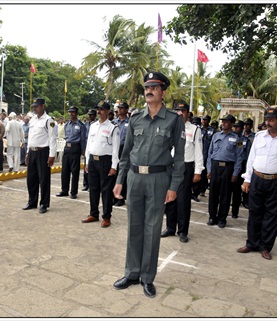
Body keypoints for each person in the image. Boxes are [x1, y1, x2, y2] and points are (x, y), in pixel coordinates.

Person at [112, 71, 185, 298]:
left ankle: (147, 277)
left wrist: (173, 186)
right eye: (146, 87)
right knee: (134, 226)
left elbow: (180, 157)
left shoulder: (174, 120)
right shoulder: (135, 119)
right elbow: (126, 154)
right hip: (134, 178)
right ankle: (132, 273)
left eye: (154, 87)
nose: (149, 90)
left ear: (163, 92)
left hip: (158, 179)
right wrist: (119, 180)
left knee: (152, 229)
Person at [238, 108, 277, 260]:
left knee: (271, 216)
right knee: (254, 213)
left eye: (272, 120)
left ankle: (265, 247)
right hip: (258, 179)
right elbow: (252, 158)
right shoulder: (259, 136)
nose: (268, 123)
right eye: (267, 119)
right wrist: (247, 179)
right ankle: (251, 243)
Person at [163, 100, 203, 243]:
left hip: (185, 167)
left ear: (188, 113)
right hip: (170, 166)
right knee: (169, 198)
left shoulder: (194, 130)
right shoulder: (170, 127)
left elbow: (198, 151)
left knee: (183, 200)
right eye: (177, 112)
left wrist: (198, 171)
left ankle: (182, 231)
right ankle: (170, 227)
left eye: (183, 111)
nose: (180, 114)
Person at [81, 101, 119, 228]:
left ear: (108, 111)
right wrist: (87, 161)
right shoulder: (93, 126)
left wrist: (114, 166)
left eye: (102, 109)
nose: (99, 111)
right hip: (92, 160)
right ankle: (93, 213)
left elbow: (115, 149)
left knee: (106, 190)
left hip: (105, 161)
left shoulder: (113, 128)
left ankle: (107, 217)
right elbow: (88, 145)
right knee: (93, 188)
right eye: (98, 109)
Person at [206, 114, 244, 228]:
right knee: (213, 193)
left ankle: (222, 218)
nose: (223, 124)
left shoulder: (237, 139)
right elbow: (209, 154)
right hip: (215, 166)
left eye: (226, 122)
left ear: (232, 124)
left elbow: (239, 157)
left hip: (228, 168)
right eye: (222, 122)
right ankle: (212, 217)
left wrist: (235, 173)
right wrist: (209, 169)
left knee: (225, 194)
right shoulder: (215, 135)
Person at [22, 98, 57, 214]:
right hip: (32, 151)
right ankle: (32, 201)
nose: (34, 108)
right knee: (31, 178)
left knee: (44, 179)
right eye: (34, 106)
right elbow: (31, 137)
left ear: (43, 106)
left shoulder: (49, 121)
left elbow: (52, 139)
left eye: (36, 106)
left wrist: (52, 155)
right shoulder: (33, 120)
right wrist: (27, 152)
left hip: (43, 152)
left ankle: (44, 204)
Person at [55, 106, 86, 199]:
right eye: (70, 112)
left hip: (75, 148)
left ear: (76, 113)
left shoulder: (81, 125)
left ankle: (73, 192)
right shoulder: (67, 124)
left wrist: (83, 151)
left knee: (75, 171)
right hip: (67, 147)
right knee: (65, 171)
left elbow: (83, 140)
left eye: (73, 112)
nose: (71, 114)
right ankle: (64, 190)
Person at [112, 102, 130, 206]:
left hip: (125, 148)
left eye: (122, 108)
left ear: (127, 110)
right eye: (119, 108)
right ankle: (114, 196)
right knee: (114, 172)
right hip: (115, 148)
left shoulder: (130, 122)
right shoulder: (114, 122)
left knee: (123, 173)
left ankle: (121, 197)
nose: (120, 110)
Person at [228, 120, 246, 218]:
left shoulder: (242, 140)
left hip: (240, 167)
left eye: (238, 127)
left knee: (236, 191)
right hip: (229, 166)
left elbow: (241, 155)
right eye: (235, 127)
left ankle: (235, 211)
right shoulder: (231, 137)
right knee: (227, 190)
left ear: (242, 128)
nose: (236, 129)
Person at [198, 115, 216, 198]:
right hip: (199, 154)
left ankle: (203, 189)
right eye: (203, 120)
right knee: (198, 173)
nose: (204, 121)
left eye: (205, 120)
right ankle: (197, 190)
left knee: (205, 173)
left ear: (208, 121)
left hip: (208, 155)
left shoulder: (213, 131)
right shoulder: (198, 129)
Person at [241, 118, 255, 208]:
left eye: (248, 125)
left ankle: (246, 200)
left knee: (247, 181)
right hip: (241, 162)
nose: (246, 126)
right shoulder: (240, 136)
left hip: (249, 163)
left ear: (251, 126)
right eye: (245, 125)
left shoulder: (255, 137)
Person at [82, 108, 97, 192]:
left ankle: (91, 185)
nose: (90, 116)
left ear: (95, 115)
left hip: (93, 145)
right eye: (89, 115)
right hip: (87, 146)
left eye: (91, 115)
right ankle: (86, 184)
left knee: (92, 168)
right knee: (86, 167)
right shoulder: (86, 124)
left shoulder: (96, 124)